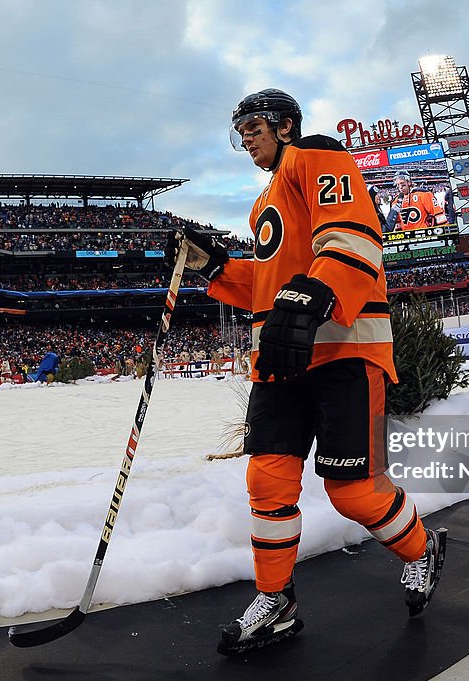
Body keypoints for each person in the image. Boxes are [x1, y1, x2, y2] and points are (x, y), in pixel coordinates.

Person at [168, 88, 445, 655]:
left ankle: (423, 550)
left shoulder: (316, 155)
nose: (246, 137)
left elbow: (352, 236)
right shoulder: (264, 200)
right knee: (266, 482)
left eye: (254, 125)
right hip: (280, 362)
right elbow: (269, 288)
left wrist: (316, 291)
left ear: (286, 126)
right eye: (239, 130)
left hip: (344, 353)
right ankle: (277, 601)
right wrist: (219, 266)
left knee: (354, 494)